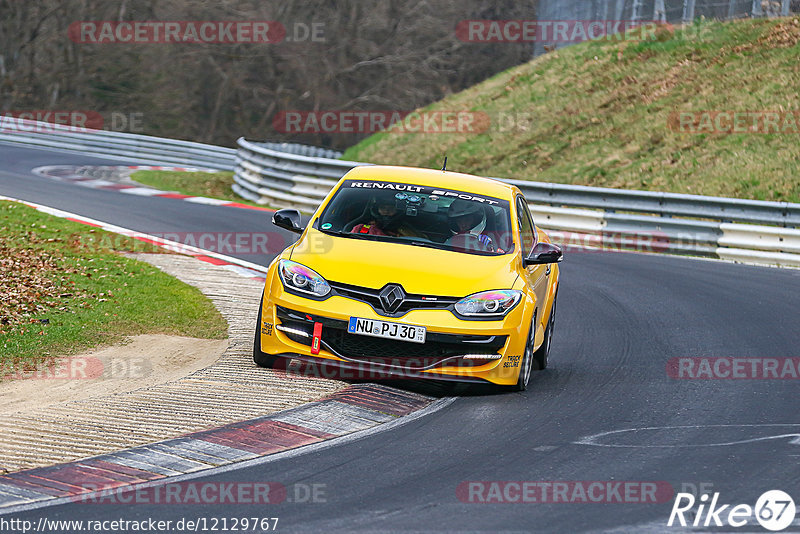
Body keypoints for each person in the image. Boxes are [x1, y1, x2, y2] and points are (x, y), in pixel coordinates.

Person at [351, 193, 418, 237]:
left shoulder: (407, 231)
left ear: (398, 211)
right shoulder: (362, 229)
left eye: (391, 208)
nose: (386, 211)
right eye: (383, 208)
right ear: (376, 210)